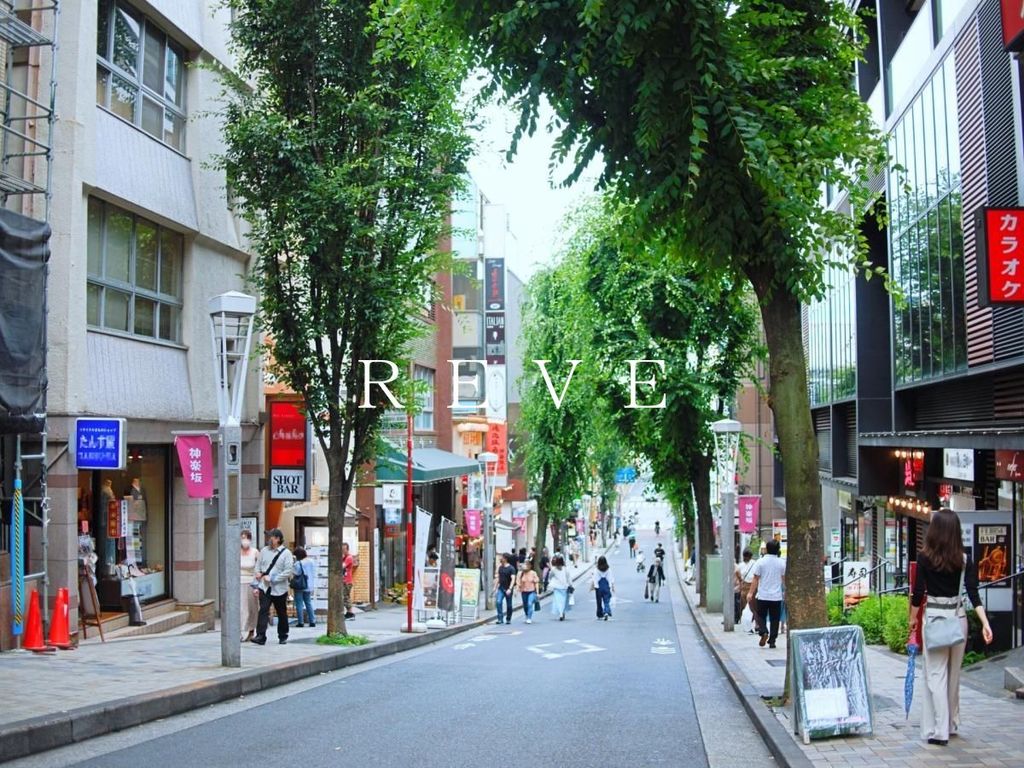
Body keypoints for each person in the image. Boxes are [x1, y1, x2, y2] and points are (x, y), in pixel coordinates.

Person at [908, 509, 993, 746]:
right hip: (958, 620)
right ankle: (951, 724)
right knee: (954, 675)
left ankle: (939, 730)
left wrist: (913, 619)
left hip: (935, 618)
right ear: (956, 531)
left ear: (934, 530)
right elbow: (973, 593)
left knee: (936, 674)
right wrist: (985, 623)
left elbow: (918, 592)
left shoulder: (925, 558)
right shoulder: (964, 559)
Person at [253, 528, 294, 645]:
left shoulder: (286, 553)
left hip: (279, 588)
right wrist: (258, 574)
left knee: (281, 612)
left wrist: (273, 578)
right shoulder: (264, 551)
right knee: (263, 610)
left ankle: (283, 635)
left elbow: (288, 571)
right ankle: (260, 635)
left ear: (278, 539)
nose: (269, 539)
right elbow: (258, 565)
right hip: (265, 587)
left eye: (271, 537)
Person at [747, 539, 785, 649]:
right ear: (778, 550)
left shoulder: (761, 562)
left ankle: (763, 632)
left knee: (761, 616)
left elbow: (755, 578)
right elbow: (784, 578)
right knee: (775, 618)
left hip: (763, 595)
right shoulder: (782, 563)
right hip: (776, 596)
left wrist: (750, 593)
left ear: (767, 549)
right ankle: (772, 640)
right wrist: (786, 591)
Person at [239, 530, 260, 641]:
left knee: (252, 608)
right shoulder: (236, 551)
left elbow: (260, 566)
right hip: (239, 582)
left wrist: (258, 583)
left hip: (251, 582)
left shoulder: (255, 552)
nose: (244, 540)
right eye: (242, 538)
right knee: (240, 608)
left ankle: (251, 630)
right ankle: (238, 631)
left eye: (246, 538)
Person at [291, 547, 316, 628]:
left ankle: (301, 622)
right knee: (308, 602)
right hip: (309, 584)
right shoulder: (311, 561)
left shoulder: (298, 563)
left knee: (299, 604)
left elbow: (296, 573)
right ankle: (312, 621)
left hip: (300, 585)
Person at [735, 549, 757, 624]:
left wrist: (740, 580)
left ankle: (743, 619)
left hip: (746, 585)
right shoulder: (754, 563)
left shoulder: (742, 565)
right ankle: (752, 620)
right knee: (751, 604)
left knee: (744, 604)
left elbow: (737, 572)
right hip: (751, 585)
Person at [548, 555, 572, 620]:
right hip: (563, 588)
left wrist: (551, 582)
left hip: (559, 588)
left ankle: (561, 613)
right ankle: (561, 613)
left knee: (559, 601)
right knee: (562, 601)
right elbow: (568, 578)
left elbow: (550, 577)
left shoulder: (554, 569)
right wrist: (570, 585)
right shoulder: (565, 569)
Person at [495, 553, 516, 624]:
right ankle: (500, 618)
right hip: (501, 588)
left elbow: (513, 579)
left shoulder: (511, 568)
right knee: (498, 602)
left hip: (508, 589)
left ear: (506, 559)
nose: (500, 558)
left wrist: (510, 588)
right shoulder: (500, 567)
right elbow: (499, 578)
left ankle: (508, 618)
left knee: (509, 605)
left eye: (502, 557)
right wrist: (495, 587)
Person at [591, 555, 615, 620]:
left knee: (599, 601)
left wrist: (594, 586)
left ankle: (600, 614)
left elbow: (595, 579)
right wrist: (612, 586)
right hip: (606, 586)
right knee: (606, 600)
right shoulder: (608, 569)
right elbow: (610, 578)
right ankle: (606, 611)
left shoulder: (596, 569)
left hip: (598, 587)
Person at [517, 559, 540, 624]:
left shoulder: (533, 573)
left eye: (527, 564)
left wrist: (537, 592)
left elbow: (536, 583)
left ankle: (529, 618)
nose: (525, 566)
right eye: (525, 564)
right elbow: (518, 582)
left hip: (531, 591)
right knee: (525, 605)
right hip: (524, 591)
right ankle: (527, 615)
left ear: (530, 566)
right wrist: (517, 589)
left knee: (529, 603)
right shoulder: (520, 573)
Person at [342, 542, 359, 620]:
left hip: (347, 581)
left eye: (344, 549)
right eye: (342, 549)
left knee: (345, 596)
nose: (343, 551)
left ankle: (350, 612)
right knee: (345, 596)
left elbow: (342, 566)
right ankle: (349, 612)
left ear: (347, 549)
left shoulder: (349, 557)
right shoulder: (344, 557)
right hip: (344, 580)